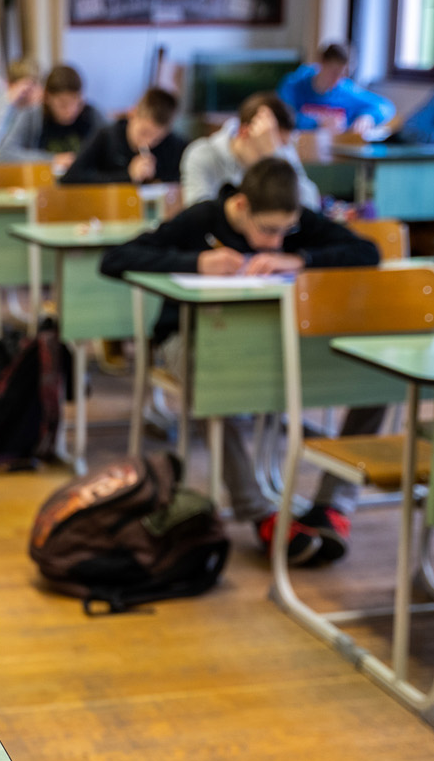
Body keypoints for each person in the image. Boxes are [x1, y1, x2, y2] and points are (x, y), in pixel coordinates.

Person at [100, 158, 381, 564]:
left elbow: (367, 251)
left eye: (286, 231)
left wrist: (299, 259)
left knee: (375, 376)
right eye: (267, 230)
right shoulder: (204, 218)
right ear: (242, 206)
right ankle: (260, 513)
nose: (275, 242)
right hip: (186, 337)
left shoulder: (292, 220)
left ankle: (332, 505)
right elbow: (115, 259)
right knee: (212, 378)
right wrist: (196, 263)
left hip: (272, 341)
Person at [180, 92, 321, 208]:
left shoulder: (280, 152)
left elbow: (310, 205)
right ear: (244, 132)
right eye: (266, 143)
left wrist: (272, 159)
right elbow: (197, 217)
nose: (273, 149)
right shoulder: (202, 154)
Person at [60, 87, 187, 185]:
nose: (149, 142)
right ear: (132, 114)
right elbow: (70, 178)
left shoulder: (173, 145)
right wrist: (128, 175)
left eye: (157, 139)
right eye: (144, 132)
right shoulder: (106, 136)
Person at [0, 64, 107, 171]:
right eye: (62, 103)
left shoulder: (92, 115)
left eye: (75, 101)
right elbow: (4, 155)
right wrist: (53, 159)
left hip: (84, 182)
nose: (70, 109)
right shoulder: (32, 116)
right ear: (47, 98)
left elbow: (111, 150)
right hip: (43, 180)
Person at [277, 42, 395, 135]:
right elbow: (280, 116)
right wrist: (318, 122)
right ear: (321, 63)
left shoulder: (346, 90)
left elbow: (385, 107)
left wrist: (368, 117)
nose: (337, 79)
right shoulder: (293, 85)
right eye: (334, 72)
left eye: (343, 74)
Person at [0, 58, 41, 146]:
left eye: (35, 85)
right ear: (10, 84)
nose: (31, 92)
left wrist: (37, 106)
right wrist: (10, 104)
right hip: (3, 154)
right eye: (27, 87)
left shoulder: (38, 107)